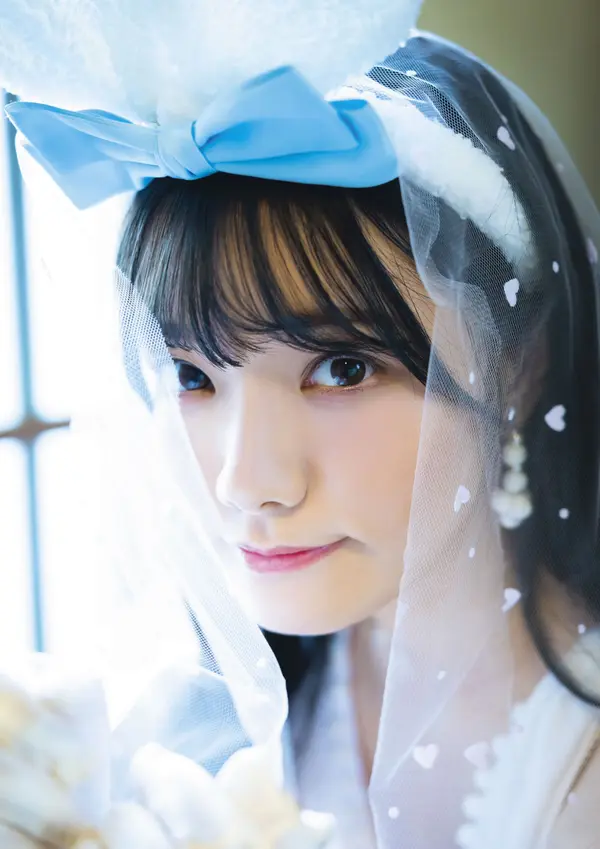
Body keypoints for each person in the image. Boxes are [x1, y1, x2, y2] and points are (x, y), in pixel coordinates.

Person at [2, 3, 600, 848]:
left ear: (521, 363)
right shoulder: (186, 713)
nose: (248, 483)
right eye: (189, 376)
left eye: (343, 368)